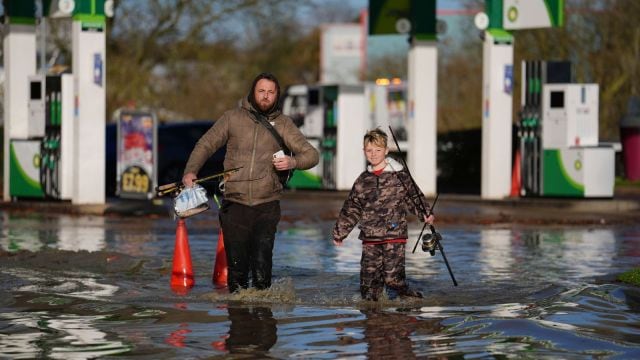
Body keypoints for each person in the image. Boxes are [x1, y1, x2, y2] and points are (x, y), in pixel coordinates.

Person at [182, 72, 319, 293]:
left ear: (277, 96)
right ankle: (240, 322)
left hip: (267, 205)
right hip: (235, 204)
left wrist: (293, 162)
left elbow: (312, 155)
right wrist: (190, 171)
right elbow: (206, 144)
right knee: (237, 273)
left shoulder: (284, 124)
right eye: (261, 91)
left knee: (262, 271)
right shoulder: (232, 118)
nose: (265, 96)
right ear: (253, 92)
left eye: (270, 92)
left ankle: (263, 322)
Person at [332, 128, 434, 301]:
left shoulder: (400, 176)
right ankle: (374, 320)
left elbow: (414, 197)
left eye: (378, 150)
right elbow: (352, 208)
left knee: (393, 279)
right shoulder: (362, 180)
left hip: (394, 236)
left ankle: (412, 300)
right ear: (364, 152)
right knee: (368, 286)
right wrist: (340, 233)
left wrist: (425, 213)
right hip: (370, 238)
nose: (373, 154)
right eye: (369, 150)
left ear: (386, 150)